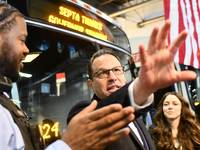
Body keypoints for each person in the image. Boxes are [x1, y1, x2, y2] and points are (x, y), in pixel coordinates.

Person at [0, 2, 137, 150]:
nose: (26, 49)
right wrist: (68, 144)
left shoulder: (5, 101)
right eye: (22, 40)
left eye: (117, 70)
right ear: (91, 84)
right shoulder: (86, 111)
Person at [67, 18, 197, 150]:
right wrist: (141, 88)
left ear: (124, 75)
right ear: (91, 84)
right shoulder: (84, 114)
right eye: (102, 73)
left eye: (117, 70)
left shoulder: (135, 116)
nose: (112, 77)